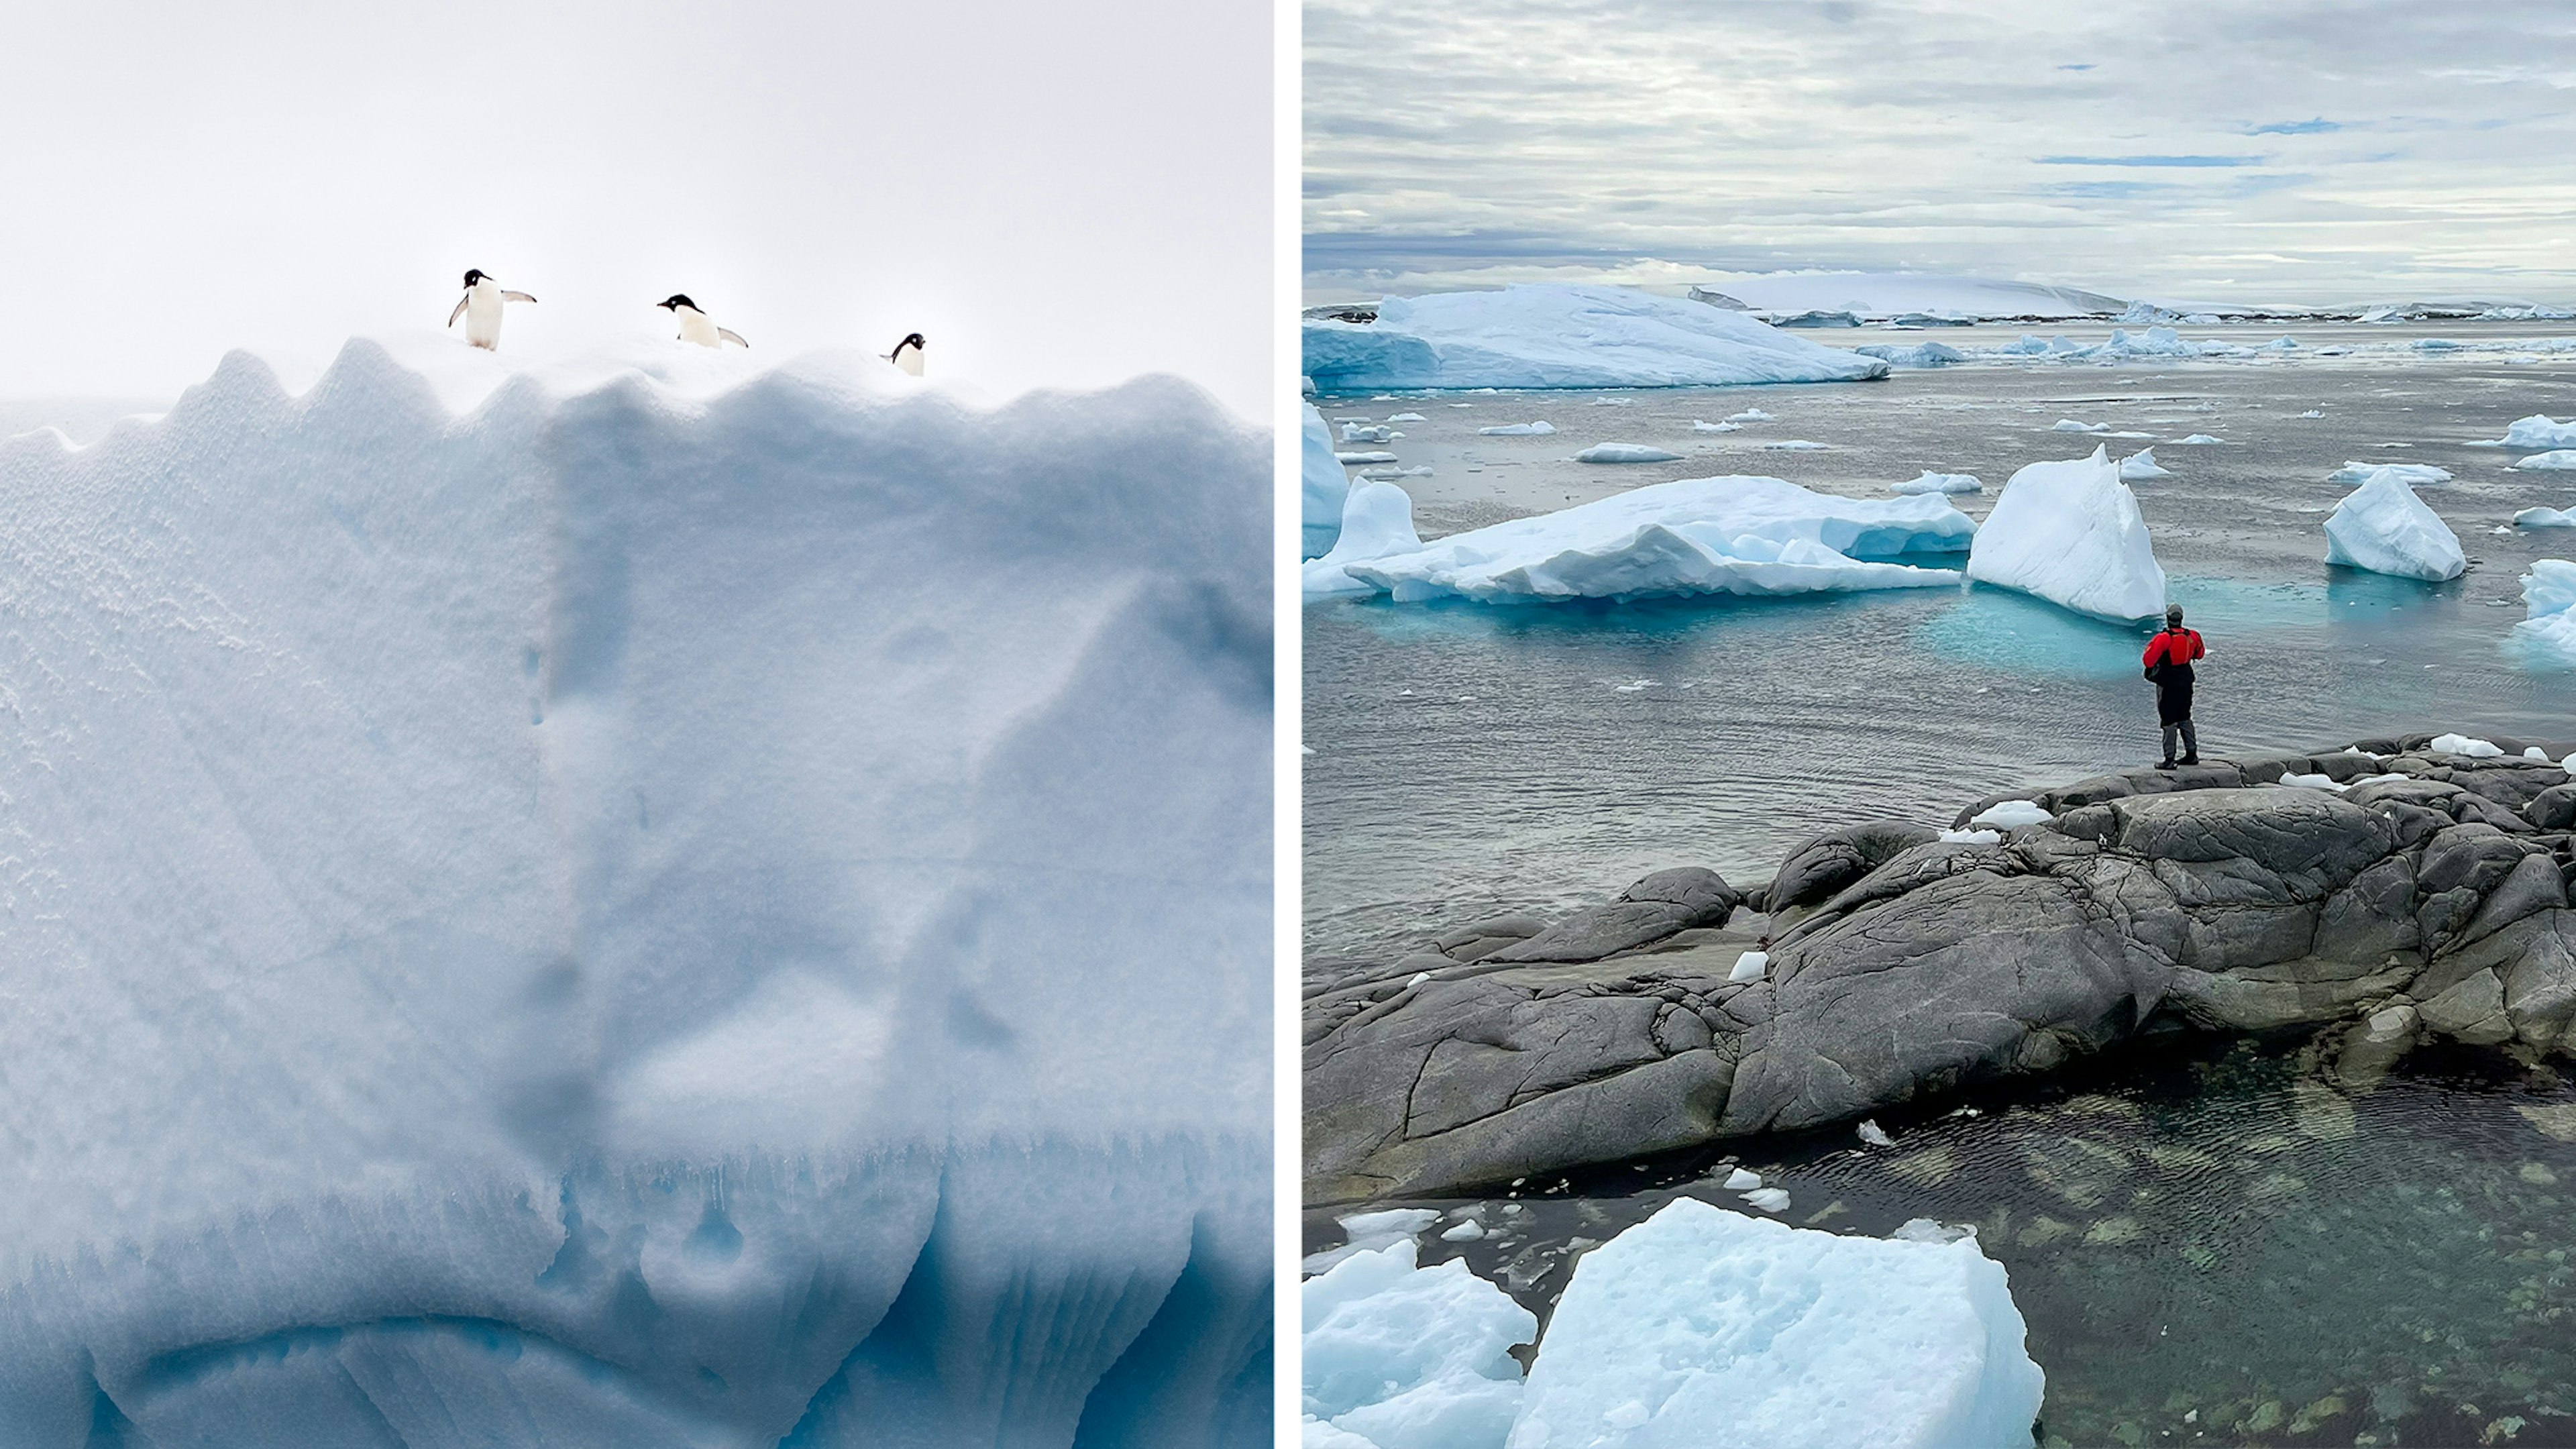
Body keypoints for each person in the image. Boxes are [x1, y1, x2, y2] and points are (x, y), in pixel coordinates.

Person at [2143, 604, 2206, 768]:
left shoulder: (2163, 638)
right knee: (2185, 717)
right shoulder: (2193, 636)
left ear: (2168, 618)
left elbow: (2148, 660)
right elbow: (2200, 654)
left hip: (2168, 682)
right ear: (2181, 618)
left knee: (2168, 720)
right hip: (2186, 679)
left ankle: (2169, 759)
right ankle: (2192, 754)